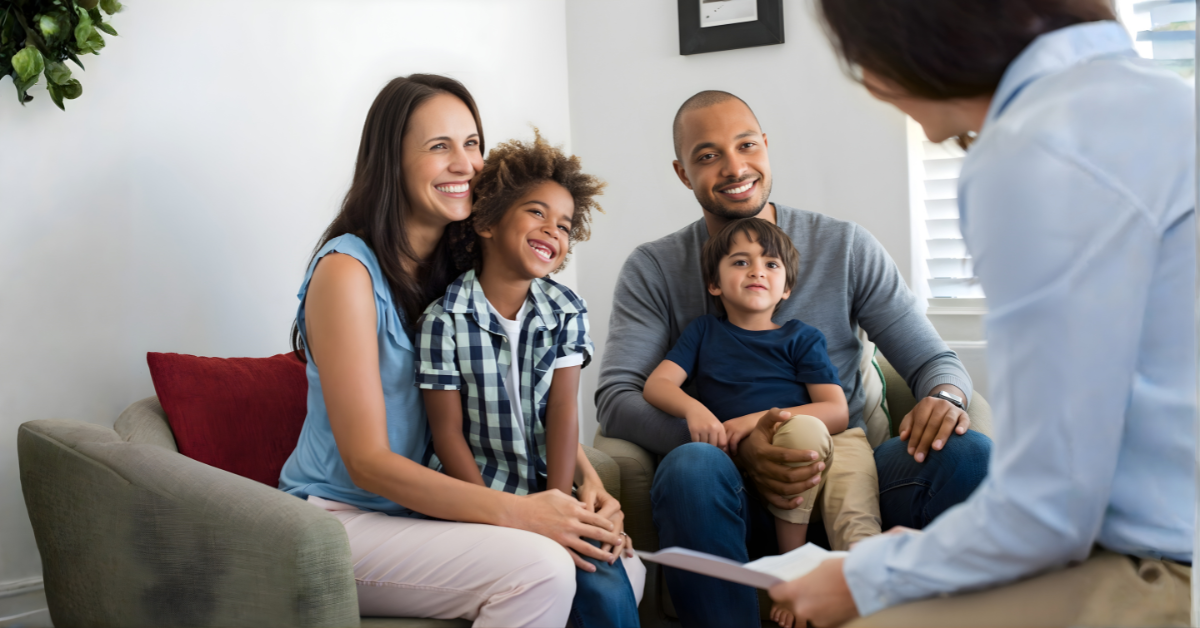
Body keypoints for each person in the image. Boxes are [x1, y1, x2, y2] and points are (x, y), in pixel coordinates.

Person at [768, 1, 1195, 626]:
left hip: (1163, 564)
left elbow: (1049, 508)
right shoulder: (1163, 99)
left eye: (860, 56)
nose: (869, 85)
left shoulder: (1034, 147)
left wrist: (870, 576)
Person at [597, 88, 993, 627]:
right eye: (708, 155)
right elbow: (618, 398)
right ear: (682, 172)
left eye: (746, 145)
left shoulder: (845, 246)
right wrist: (737, 444)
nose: (735, 167)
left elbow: (933, 362)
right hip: (724, 491)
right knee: (692, 466)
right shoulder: (656, 269)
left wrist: (945, 398)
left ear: (766, 146)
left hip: (845, 470)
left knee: (968, 454)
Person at [277, 74, 625, 628]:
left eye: (472, 144)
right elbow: (367, 463)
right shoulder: (346, 272)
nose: (465, 164)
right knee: (543, 568)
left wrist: (586, 485)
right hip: (340, 519)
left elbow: (520, 398)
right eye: (440, 147)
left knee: (620, 568)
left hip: (427, 512)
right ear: (392, 161)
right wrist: (523, 514)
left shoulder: (462, 272)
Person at [416, 131, 644, 628]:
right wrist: (492, 514)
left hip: (546, 490)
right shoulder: (444, 319)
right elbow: (446, 433)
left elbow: (562, 412)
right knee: (586, 580)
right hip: (471, 493)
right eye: (537, 212)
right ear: (487, 221)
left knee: (607, 570)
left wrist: (561, 506)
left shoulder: (566, 311)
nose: (552, 230)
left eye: (564, 224)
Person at [644, 217, 872, 628]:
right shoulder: (704, 332)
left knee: (804, 434)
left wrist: (752, 421)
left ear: (785, 289)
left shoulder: (800, 337)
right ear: (714, 284)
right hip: (741, 478)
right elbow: (658, 385)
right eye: (740, 262)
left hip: (807, 450)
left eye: (770, 264)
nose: (756, 271)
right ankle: (791, 572)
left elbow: (835, 410)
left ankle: (797, 570)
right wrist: (695, 410)